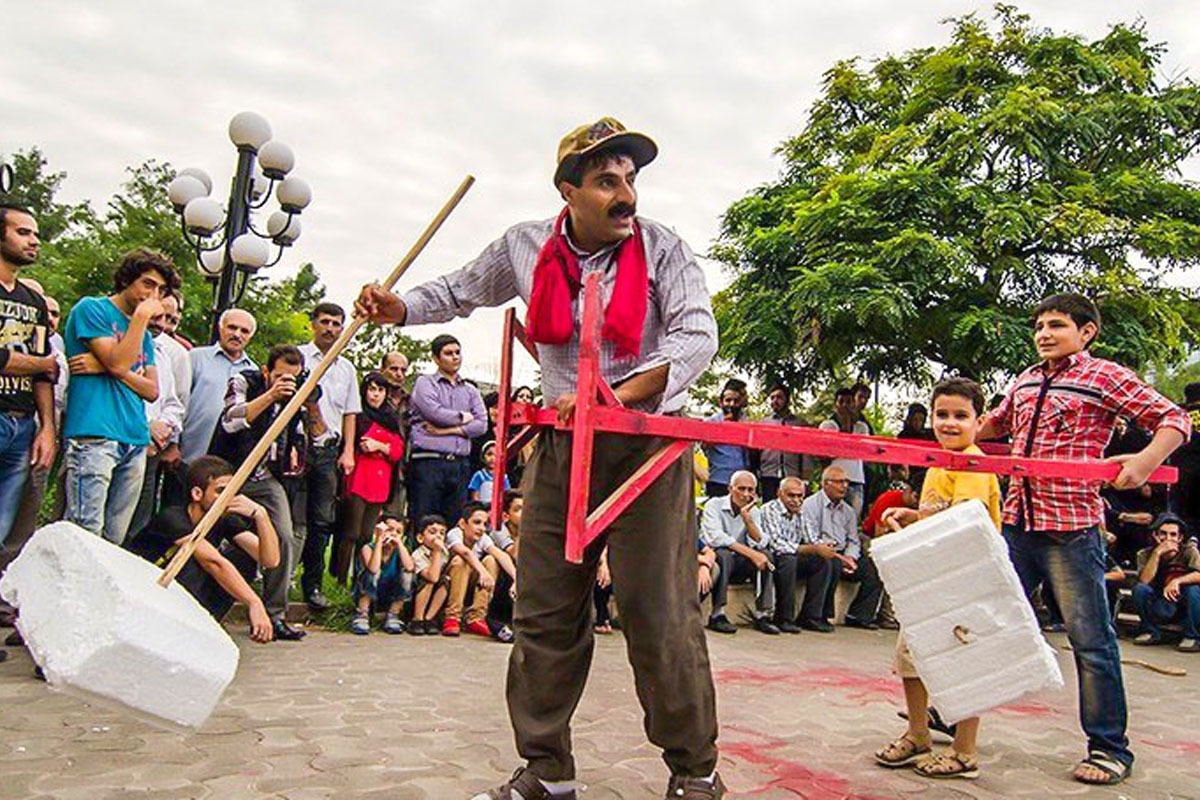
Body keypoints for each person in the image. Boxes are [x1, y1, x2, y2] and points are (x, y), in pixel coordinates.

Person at [357, 116, 725, 798]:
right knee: (545, 610)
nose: (626, 196)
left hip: (647, 446)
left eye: (631, 181)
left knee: (657, 610)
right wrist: (397, 307)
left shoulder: (665, 248)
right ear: (568, 191)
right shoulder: (524, 246)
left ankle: (695, 773)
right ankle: (548, 772)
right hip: (561, 449)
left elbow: (697, 336)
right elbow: (459, 290)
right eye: (607, 181)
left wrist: (611, 395)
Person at [979, 292, 1190, 785]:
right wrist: (959, 430)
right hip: (1017, 524)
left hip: (1071, 530)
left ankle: (1109, 749)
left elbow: (1175, 419)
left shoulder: (1104, 377)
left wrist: (1142, 463)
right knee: (988, 623)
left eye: (1056, 324)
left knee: (1091, 643)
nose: (1044, 333)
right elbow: (993, 424)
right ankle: (954, 715)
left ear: (1086, 332)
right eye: (1038, 326)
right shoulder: (1026, 379)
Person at [874, 377, 1001, 780]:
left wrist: (917, 533)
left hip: (964, 579)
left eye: (961, 416)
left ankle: (964, 751)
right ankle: (918, 734)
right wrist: (911, 517)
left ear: (979, 422)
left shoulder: (974, 465)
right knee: (910, 657)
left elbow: (961, 525)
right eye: (942, 414)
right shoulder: (938, 463)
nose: (950, 423)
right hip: (931, 577)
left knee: (964, 665)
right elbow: (935, 515)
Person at [63, 249, 181, 543]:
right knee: (84, 534)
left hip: (134, 437)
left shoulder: (142, 335)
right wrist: (138, 323)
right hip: (93, 433)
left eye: (161, 290)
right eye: (147, 284)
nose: (153, 295)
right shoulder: (92, 309)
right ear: (127, 280)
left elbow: (152, 390)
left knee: (114, 539)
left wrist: (106, 367)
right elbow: (118, 362)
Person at [210, 344, 317, 642]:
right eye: (280, 376)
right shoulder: (244, 380)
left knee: (282, 537)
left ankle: (275, 615)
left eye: (293, 378)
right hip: (229, 471)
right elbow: (230, 421)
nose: (287, 383)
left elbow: (300, 434)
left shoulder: (296, 395)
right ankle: (203, 603)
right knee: (216, 537)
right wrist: (270, 395)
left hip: (267, 477)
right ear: (267, 371)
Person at [125, 455, 279, 642]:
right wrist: (254, 602)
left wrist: (260, 515)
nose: (228, 498)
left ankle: (205, 624)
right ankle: (184, 628)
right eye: (221, 492)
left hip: (175, 592)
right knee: (197, 562)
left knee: (244, 560)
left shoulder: (224, 518)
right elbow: (213, 563)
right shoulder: (173, 518)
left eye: (232, 492)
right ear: (197, 494)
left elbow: (270, 560)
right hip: (144, 590)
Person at [295, 302, 361, 610]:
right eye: (325, 322)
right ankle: (278, 579)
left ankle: (313, 586)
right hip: (296, 444)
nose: (330, 329)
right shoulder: (298, 357)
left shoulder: (346, 368)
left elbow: (350, 413)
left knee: (321, 520)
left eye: (336, 324)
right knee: (292, 517)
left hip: (329, 450)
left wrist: (348, 451)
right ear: (313, 323)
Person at [0, 204, 57, 550]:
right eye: (23, 232)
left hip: (22, 423)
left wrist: (47, 427)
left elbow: (46, 374)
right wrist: (38, 363)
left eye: (35, 233)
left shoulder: (33, 301)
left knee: (4, 523)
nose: (34, 240)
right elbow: (43, 363)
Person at [407, 334, 486, 527]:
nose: (455, 357)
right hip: (429, 461)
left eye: (458, 352)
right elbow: (433, 413)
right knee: (424, 522)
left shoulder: (470, 390)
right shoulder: (425, 383)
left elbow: (482, 424)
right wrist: (463, 417)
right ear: (436, 358)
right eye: (448, 353)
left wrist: (446, 431)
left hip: (459, 464)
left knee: (454, 524)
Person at [334, 371, 404, 584]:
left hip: (381, 483)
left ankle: (361, 579)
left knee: (367, 535)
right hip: (358, 479)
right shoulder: (357, 416)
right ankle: (340, 579)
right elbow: (358, 443)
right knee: (351, 532)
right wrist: (381, 447)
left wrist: (380, 446)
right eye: (371, 389)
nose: (375, 395)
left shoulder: (391, 417)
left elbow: (398, 450)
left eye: (380, 390)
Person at [127, 307, 186, 541]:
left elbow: (174, 403)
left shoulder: (162, 353)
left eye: (168, 318)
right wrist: (148, 426)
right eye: (157, 316)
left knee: (137, 521)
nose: (161, 323)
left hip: (151, 451)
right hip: (119, 440)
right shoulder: (115, 342)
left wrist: (164, 429)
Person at [802, 465, 883, 629]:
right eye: (839, 482)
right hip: (819, 553)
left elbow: (853, 540)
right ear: (826, 484)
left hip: (843, 555)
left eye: (846, 482)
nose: (844, 486)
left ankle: (860, 615)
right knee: (829, 562)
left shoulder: (848, 511)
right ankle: (817, 616)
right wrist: (841, 558)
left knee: (875, 565)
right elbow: (811, 539)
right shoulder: (810, 505)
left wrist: (851, 558)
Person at [699, 470, 772, 634]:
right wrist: (751, 553)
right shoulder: (714, 505)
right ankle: (718, 614)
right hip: (718, 562)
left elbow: (761, 542)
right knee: (724, 554)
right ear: (730, 489)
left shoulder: (753, 511)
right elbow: (716, 538)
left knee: (766, 556)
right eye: (741, 489)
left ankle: (763, 614)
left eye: (750, 490)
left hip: (740, 564)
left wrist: (748, 520)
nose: (746, 494)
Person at [180, 308, 257, 465]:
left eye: (244, 331)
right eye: (232, 327)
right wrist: (172, 444)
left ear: (250, 336)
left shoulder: (254, 372)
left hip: (226, 462)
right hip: (187, 454)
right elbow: (177, 400)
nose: (237, 334)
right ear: (220, 328)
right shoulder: (195, 358)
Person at [756, 477, 831, 634]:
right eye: (791, 496)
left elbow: (812, 538)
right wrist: (813, 548)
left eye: (800, 496)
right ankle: (784, 618)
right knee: (788, 560)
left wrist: (823, 547)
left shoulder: (801, 512)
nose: (796, 500)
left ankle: (811, 616)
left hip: (793, 556)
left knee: (823, 561)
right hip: (773, 558)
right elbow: (777, 544)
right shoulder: (769, 509)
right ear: (779, 493)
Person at [443, 501, 516, 638]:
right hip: (448, 581)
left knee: (491, 560)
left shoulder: (483, 538)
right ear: (463, 524)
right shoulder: (455, 533)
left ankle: (476, 617)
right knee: (461, 561)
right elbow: (465, 553)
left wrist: (516, 579)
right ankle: (453, 616)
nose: (482, 528)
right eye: (477, 522)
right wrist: (483, 572)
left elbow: (501, 555)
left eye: (485, 524)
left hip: (471, 582)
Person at [1131, 513, 1199, 652]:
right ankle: (1151, 631)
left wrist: (1177, 581)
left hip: (1183, 601)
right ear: (1156, 535)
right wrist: (1157, 554)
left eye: (1173, 535)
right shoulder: (1144, 554)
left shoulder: (1189, 551)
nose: (1168, 539)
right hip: (1160, 600)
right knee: (1139, 589)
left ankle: (1191, 636)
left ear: (1180, 538)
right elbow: (1144, 580)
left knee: (1194, 590)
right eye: (1163, 534)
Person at [351, 517, 415, 635]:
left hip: (389, 594)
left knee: (408, 574)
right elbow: (373, 568)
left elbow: (410, 567)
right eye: (389, 530)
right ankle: (362, 613)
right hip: (368, 592)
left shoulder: (400, 551)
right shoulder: (368, 548)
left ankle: (393, 614)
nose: (393, 534)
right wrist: (379, 541)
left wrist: (400, 544)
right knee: (372, 573)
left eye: (398, 532)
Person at [820, 388, 870, 517]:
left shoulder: (861, 427)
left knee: (852, 519)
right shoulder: (828, 426)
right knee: (832, 518)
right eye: (841, 402)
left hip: (856, 479)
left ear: (854, 404)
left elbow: (861, 451)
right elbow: (825, 454)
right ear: (835, 405)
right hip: (833, 480)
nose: (845, 406)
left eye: (848, 402)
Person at [702, 378, 750, 498]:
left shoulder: (745, 421)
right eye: (728, 400)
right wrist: (724, 427)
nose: (731, 404)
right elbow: (704, 446)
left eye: (736, 400)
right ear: (721, 402)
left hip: (741, 480)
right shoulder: (712, 422)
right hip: (719, 479)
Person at [757, 384, 805, 500]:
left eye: (779, 397)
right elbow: (756, 450)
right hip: (769, 474)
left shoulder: (799, 423)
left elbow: (806, 453)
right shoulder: (763, 423)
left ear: (787, 400)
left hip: (792, 474)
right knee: (769, 509)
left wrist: (805, 478)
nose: (775, 401)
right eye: (772, 398)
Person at [408, 513, 450, 636]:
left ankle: (429, 618)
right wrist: (437, 551)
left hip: (435, 595)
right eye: (433, 532)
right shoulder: (418, 554)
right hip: (417, 593)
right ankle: (417, 619)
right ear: (420, 538)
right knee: (429, 581)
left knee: (445, 581)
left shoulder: (445, 553)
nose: (438, 536)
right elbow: (432, 576)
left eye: (442, 533)